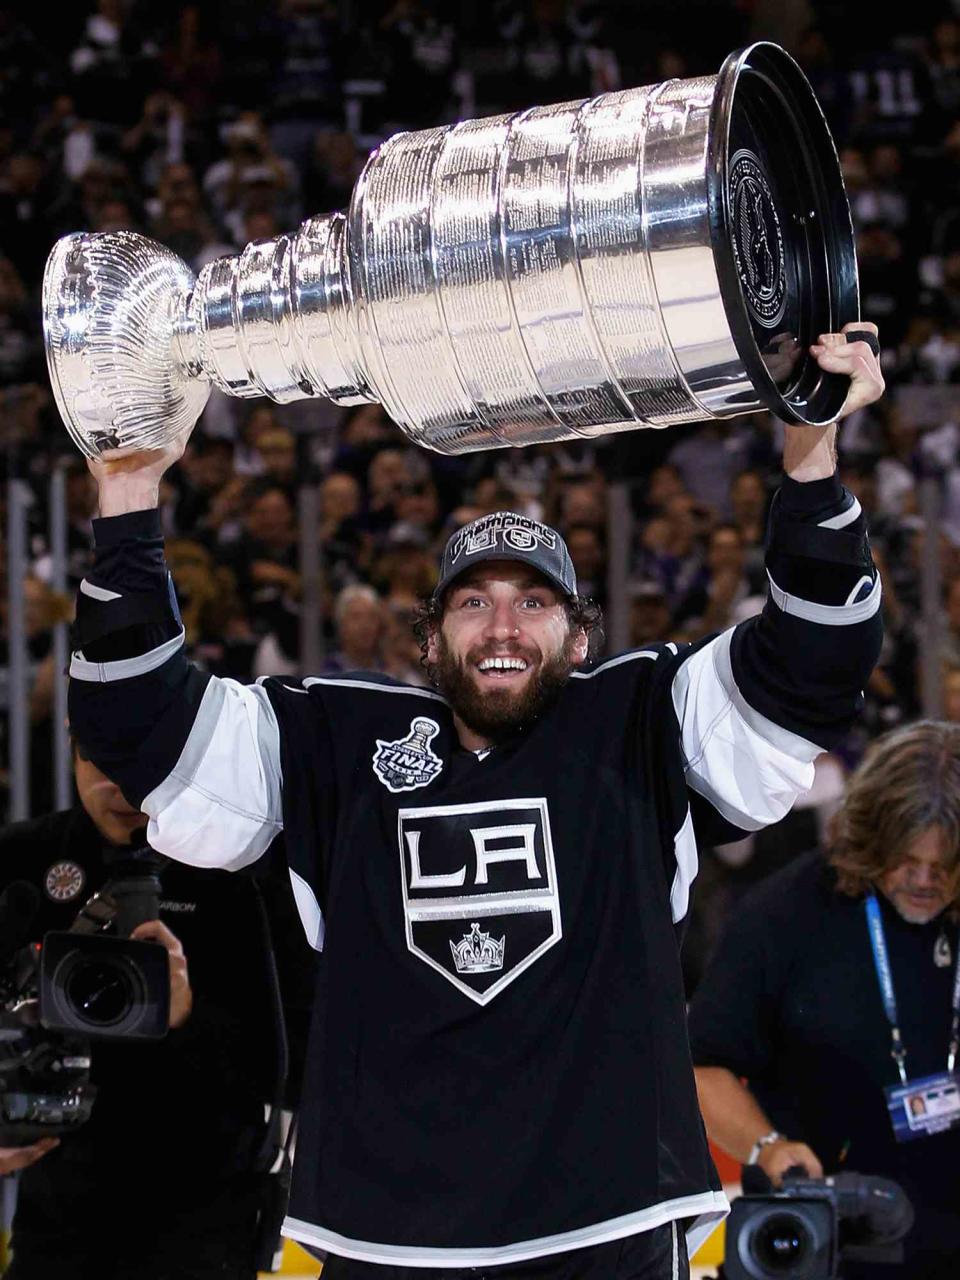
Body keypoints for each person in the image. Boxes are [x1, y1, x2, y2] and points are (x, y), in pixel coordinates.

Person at [66, 327, 883, 1280]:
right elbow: (138, 727)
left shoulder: (641, 722)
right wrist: (126, 496)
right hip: (383, 1238)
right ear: (430, 641)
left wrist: (811, 448)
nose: (503, 626)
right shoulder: (332, 742)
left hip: (607, 1226)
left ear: (581, 639)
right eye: (473, 603)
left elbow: (814, 665)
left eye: (534, 604)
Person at [0, 740, 311, 1280]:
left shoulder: (246, 873)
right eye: (101, 755)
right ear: (72, 749)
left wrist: (189, 1015)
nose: (122, 782)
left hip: (202, 1219)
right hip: (55, 1218)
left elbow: (297, 1070)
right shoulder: (24, 858)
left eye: (142, 754)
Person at [689, 720, 960, 1280]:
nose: (924, 880)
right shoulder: (785, 914)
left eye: (946, 867)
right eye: (906, 859)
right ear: (869, 839)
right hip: (828, 1243)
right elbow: (703, 1066)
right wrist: (767, 1146)